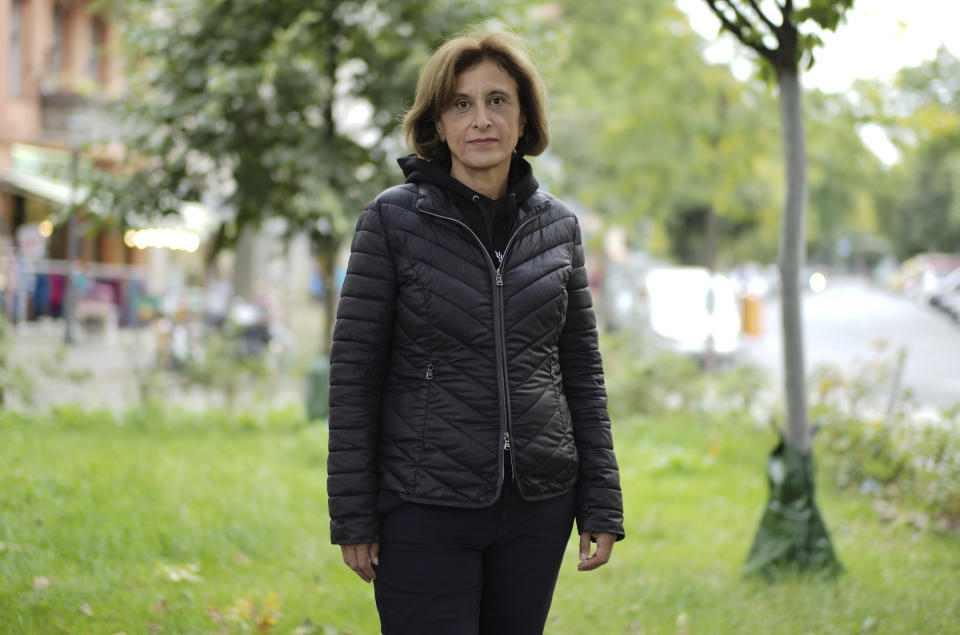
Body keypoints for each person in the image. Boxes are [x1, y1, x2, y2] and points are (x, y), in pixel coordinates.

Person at [327, 27, 624, 635]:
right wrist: (353, 515)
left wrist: (600, 501)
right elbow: (355, 376)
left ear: (523, 119)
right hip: (422, 505)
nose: (481, 119)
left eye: (498, 100)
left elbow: (581, 373)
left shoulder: (558, 227)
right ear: (437, 123)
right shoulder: (390, 221)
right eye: (462, 103)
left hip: (537, 507)